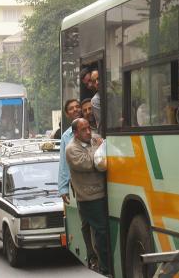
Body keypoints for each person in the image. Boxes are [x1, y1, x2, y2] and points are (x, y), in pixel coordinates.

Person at [57, 99, 98, 270]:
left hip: (99, 184)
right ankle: (92, 255)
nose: (76, 110)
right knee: (86, 223)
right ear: (67, 114)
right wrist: (63, 188)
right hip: (81, 187)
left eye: (77, 107)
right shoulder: (67, 137)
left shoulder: (93, 129)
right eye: (71, 109)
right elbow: (64, 164)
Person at [66, 118, 109, 276]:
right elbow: (94, 163)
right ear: (76, 133)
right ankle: (104, 267)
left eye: (89, 128)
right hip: (89, 197)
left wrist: (99, 146)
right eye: (84, 130)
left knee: (101, 230)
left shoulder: (92, 140)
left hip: (103, 193)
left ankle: (98, 262)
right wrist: (99, 146)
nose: (89, 132)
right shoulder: (72, 149)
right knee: (100, 231)